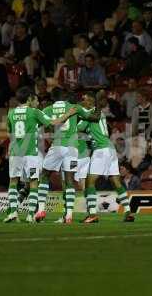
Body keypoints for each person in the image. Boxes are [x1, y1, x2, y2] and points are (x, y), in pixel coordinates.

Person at [3, 86, 76, 223]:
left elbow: (9, 132)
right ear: (30, 99)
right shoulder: (34, 112)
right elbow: (53, 122)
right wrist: (68, 114)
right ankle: (31, 214)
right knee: (34, 182)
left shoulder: (11, 113)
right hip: (30, 152)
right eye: (35, 98)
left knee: (13, 182)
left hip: (15, 152)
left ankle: (13, 212)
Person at [37, 88, 100, 223]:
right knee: (70, 180)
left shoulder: (47, 109)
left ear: (53, 98)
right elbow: (94, 118)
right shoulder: (74, 107)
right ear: (65, 96)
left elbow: (46, 126)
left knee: (45, 175)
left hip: (57, 145)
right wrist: (97, 105)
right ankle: (69, 216)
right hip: (72, 147)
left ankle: (41, 209)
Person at [80, 93, 135, 223]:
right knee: (116, 182)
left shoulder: (90, 115)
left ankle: (92, 214)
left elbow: (78, 128)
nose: (82, 103)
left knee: (89, 182)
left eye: (84, 101)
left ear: (90, 103)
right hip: (110, 149)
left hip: (101, 150)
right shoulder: (99, 114)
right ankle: (128, 211)